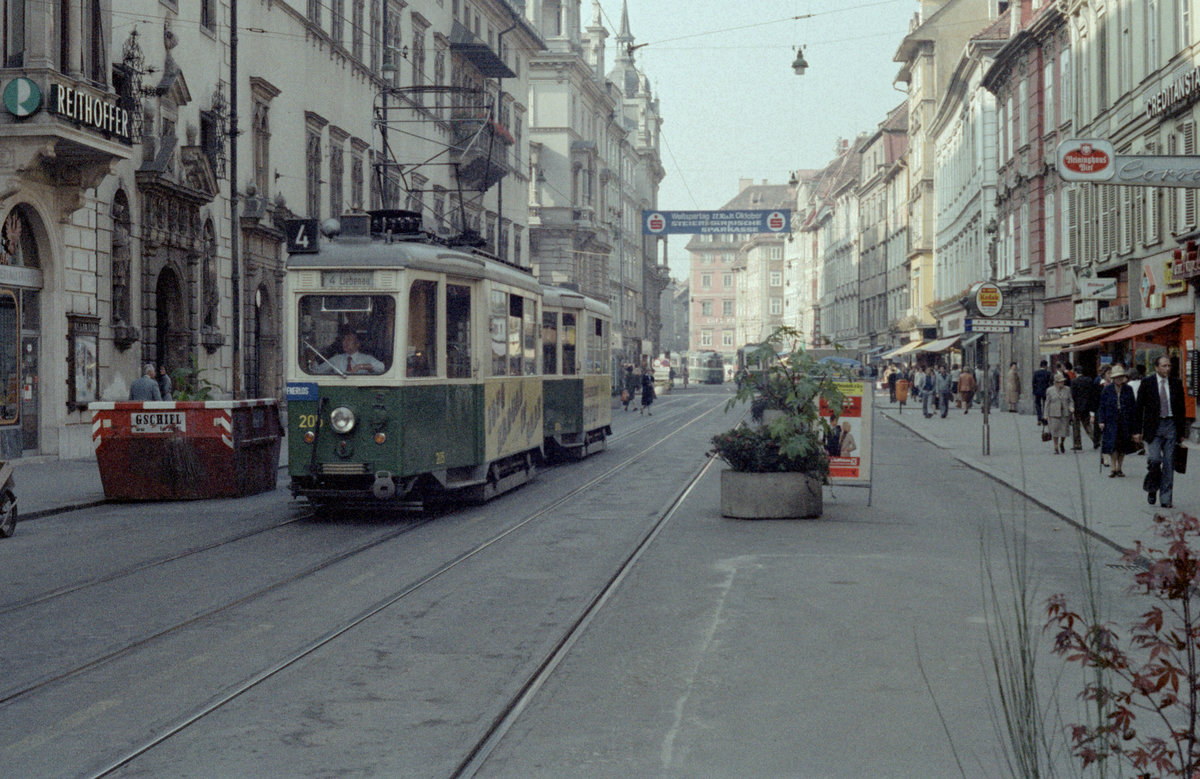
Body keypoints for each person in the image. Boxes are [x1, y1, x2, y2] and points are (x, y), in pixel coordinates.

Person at [1136, 355, 1188, 508]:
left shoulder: (1176, 383)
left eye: (1169, 366)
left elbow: (1181, 408)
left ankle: (1166, 498)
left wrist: (1182, 431)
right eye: (1164, 366)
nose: (1167, 369)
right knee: (1154, 459)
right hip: (1154, 427)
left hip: (1171, 425)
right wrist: (1137, 430)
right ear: (1156, 368)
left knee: (1168, 463)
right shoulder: (1147, 383)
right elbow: (1139, 408)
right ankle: (1152, 487)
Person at [1097, 364, 1136, 478]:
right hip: (1111, 420)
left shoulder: (1128, 389)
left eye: (1121, 377)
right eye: (1116, 377)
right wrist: (1101, 420)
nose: (1119, 379)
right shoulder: (1107, 389)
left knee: (1122, 445)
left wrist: (1134, 423)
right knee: (1112, 445)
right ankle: (1113, 468)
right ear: (1113, 378)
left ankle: (1120, 467)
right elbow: (1102, 406)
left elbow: (1132, 406)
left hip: (1125, 420)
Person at [312, 327, 385, 375]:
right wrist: (311, 357)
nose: (345, 342)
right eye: (344, 339)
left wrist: (360, 366)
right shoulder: (337, 359)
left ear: (357, 344)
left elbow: (381, 367)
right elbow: (317, 371)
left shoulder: (366, 358)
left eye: (349, 340)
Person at [1045, 372, 1074, 455]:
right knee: (1054, 431)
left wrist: (1071, 407)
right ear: (1056, 382)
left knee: (1064, 431)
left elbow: (1070, 400)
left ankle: (1062, 443)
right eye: (1061, 381)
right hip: (1053, 413)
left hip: (1064, 413)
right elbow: (1047, 403)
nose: (1062, 383)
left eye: (1063, 381)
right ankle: (1056, 447)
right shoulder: (1050, 390)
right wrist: (1046, 414)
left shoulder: (1067, 389)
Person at [1069, 366, 1096, 451]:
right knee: (1087, 425)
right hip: (1087, 406)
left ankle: (1077, 444)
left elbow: (1072, 395)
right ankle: (1095, 440)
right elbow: (1092, 393)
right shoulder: (1089, 380)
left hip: (1077, 406)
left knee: (1076, 426)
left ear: (1076, 372)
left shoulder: (1074, 381)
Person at [1032, 359, 1053, 425]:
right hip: (1045, 391)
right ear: (1045, 366)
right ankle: (1045, 419)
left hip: (1037, 391)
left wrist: (1034, 390)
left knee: (1038, 405)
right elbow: (1050, 382)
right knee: (1045, 405)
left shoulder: (1036, 373)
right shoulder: (1048, 373)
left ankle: (1039, 419)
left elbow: (1033, 382)